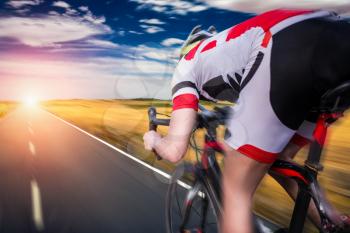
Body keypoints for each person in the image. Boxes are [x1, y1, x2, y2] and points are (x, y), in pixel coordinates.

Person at [143, 9, 350, 233]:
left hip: (289, 45)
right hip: (338, 40)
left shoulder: (187, 64)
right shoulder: (229, 44)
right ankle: (333, 223)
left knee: (235, 187)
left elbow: (175, 150)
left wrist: (153, 138)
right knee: (280, 157)